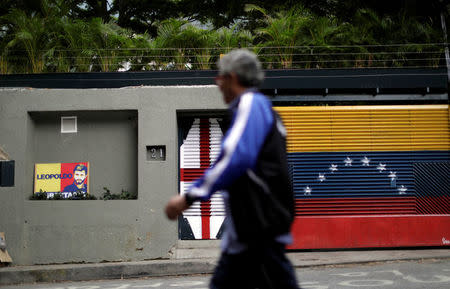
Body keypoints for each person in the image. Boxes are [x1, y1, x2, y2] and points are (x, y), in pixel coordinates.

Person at [165, 49, 299, 289]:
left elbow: (235, 158)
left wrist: (190, 196)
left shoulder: (251, 103)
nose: (218, 83)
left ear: (233, 77)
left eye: (220, 77)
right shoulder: (259, 108)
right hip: (251, 228)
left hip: (258, 225)